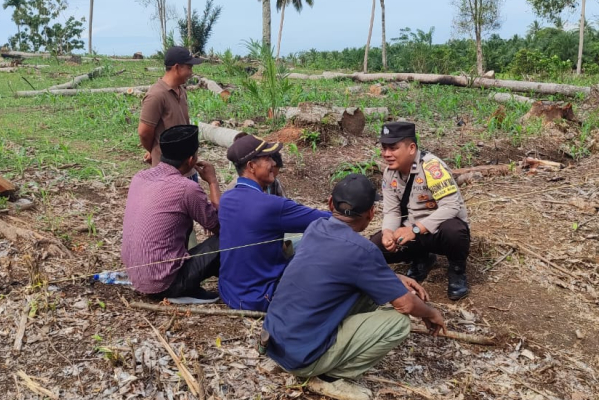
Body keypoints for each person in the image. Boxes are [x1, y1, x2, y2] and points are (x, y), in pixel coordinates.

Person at [262, 174, 446, 400]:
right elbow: (406, 304)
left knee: (369, 290)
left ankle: (319, 359)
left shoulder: (315, 227)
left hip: (275, 342)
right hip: (301, 358)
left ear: (331, 204)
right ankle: (328, 377)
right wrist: (431, 313)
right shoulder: (362, 250)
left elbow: (343, 267)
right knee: (398, 323)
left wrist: (393, 278)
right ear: (371, 213)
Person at [218, 134, 331, 311]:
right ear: (251, 166)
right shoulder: (271, 205)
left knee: (293, 243)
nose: (273, 163)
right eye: (267, 158)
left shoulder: (226, 198)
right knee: (318, 242)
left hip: (230, 293)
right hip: (260, 297)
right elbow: (327, 220)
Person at [120, 125, 223, 304]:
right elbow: (219, 226)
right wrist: (212, 182)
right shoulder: (186, 188)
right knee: (230, 238)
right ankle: (185, 290)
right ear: (191, 160)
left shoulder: (140, 178)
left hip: (137, 278)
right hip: (166, 282)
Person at [371, 122, 473, 300]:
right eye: (384, 148)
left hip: (437, 230)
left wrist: (415, 229)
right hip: (411, 231)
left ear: (411, 148)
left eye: (393, 148)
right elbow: (392, 211)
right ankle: (422, 259)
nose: (387, 154)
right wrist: (388, 232)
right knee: (374, 247)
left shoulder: (432, 168)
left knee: (455, 231)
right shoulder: (389, 173)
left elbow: (451, 206)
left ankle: (457, 270)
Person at [138, 46, 203, 166]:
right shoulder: (156, 95)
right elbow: (144, 132)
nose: (191, 73)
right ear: (177, 67)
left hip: (186, 165)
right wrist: (154, 150)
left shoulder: (181, 91)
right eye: (189, 68)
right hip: (167, 169)